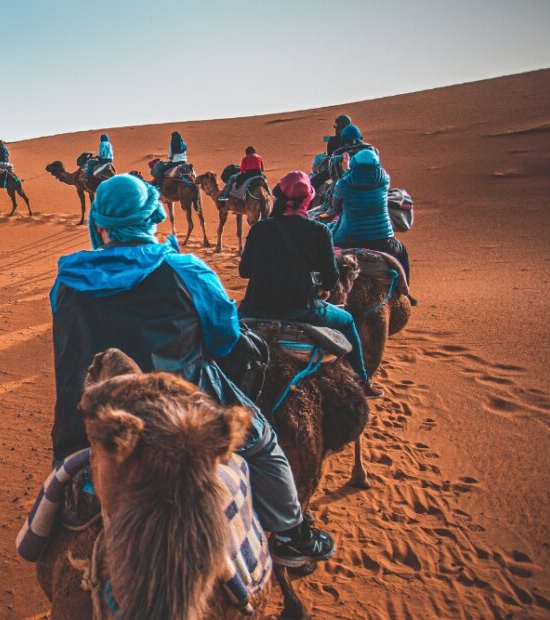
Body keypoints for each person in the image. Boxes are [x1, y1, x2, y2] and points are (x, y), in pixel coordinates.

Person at [50, 173, 336, 568]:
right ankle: (291, 536)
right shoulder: (187, 271)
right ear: (155, 216)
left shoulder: (66, 280)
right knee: (265, 444)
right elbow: (224, 341)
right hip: (183, 415)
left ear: (98, 224)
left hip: (86, 420)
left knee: (68, 470)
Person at [239, 171, 384, 397]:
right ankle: (363, 381)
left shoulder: (259, 228)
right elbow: (331, 280)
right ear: (308, 200)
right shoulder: (319, 231)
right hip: (301, 311)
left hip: (255, 308)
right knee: (346, 321)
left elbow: (244, 271)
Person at [330, 149, 411, 284]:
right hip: (383, 239)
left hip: (347, 238)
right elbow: (365, 181)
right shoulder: (384, 179)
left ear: (354, 163)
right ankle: (405, 290)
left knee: (326, 252)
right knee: (402, 252)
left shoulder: (343, 184)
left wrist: (346, 170)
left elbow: (335, 208)